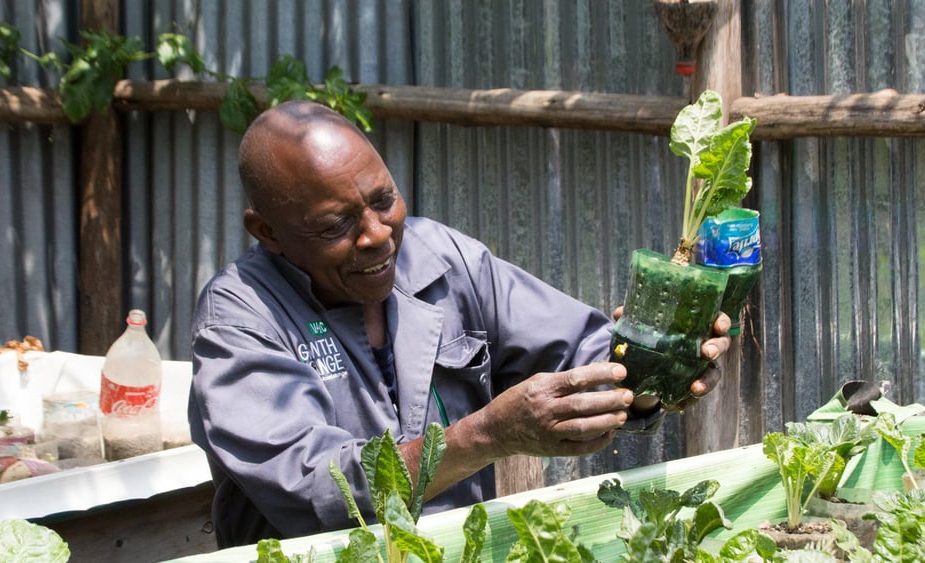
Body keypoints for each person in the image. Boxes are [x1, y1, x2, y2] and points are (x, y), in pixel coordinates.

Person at [188, 100, 731, 548]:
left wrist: (649, 368)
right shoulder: (239, 319)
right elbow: (316, 491)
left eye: (384, 200)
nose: (377, 235)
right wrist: (487, 434)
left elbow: (581, 348)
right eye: (336, 224)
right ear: (268, 232)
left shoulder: (441, 256)